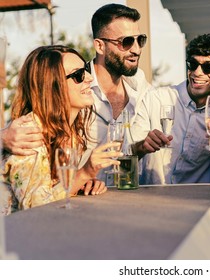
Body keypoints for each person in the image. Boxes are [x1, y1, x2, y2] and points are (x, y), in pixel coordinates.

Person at [0, 45, 121, 215]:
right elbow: (36, 208)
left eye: (85, 70)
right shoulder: (28, 133)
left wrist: (80, 184)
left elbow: (50, 189)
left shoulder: (68, 131)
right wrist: (84, 173)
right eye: (78, 75)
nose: (89, 78)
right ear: (52, 86)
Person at [129, 34, 210, 184]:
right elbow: (127, 152)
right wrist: (141, 146)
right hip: (151, 200)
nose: (197, 72)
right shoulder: (156, 99)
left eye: (208, 67)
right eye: (192, 64)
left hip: (198, 203)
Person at [77, 3, 155, 182]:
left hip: (130, 202)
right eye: (126, 42)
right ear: (100, 46)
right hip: (81, 204)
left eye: (140, 40)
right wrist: (5, 137)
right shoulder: (74, 87)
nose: (136, 49)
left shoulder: (143, 90)